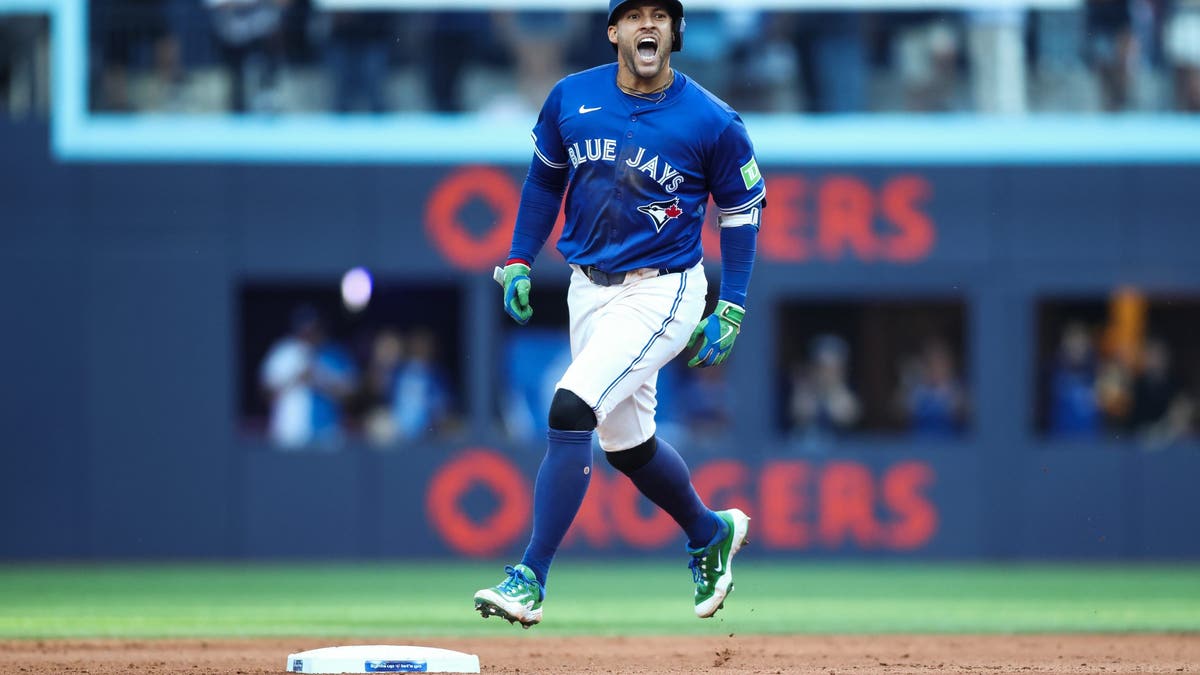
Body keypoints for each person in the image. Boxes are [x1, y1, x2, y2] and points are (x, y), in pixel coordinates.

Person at [473, 0, 764, 628]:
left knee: (571, 406)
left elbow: (742, 211)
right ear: (613, 31)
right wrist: (520, 257)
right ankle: (708, 531)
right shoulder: (569, 98)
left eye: (662, 15)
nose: (649, 25)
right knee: (627, 446)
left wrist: (733, 304)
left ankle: (530, 578)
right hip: (588, 286)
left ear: (677, 32)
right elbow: (544, 180)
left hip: (664, 291)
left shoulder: (712, 119)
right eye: (634, 15)